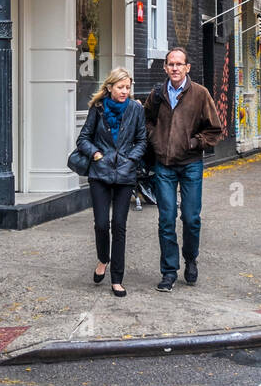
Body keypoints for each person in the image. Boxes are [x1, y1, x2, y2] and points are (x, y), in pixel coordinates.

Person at [142, 46, 222, 292]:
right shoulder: (157, 94)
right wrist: (155, 140)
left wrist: (194, 142)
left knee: (190, 218)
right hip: (164, 166)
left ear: (187, 67)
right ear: (165, 68)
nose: (174, 68)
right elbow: (145, 122)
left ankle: (190, 258)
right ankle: (168, 272)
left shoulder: (200, 94)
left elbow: (214, 129)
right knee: (166, 219)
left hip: (190, 165)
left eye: (179, 64)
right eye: (170, 64)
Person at [75, 67, 146, 298]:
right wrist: (96, 154)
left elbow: (142, 140)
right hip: (100, 173)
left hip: (125, 174)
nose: (125, 91)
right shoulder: (98, 109)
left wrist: (131, 159)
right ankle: (103, 258)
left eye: (128, 87)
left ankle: (117, 279)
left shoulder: (136, 109)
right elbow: (83, 138)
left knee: (119, 225)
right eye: (120, 87)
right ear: (109, 88)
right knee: (101, 224)